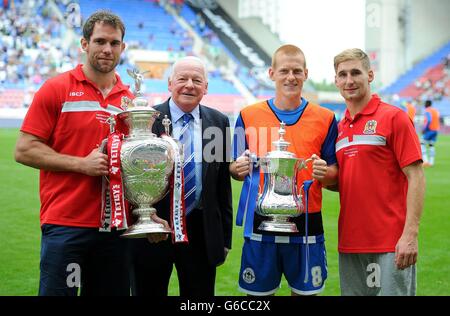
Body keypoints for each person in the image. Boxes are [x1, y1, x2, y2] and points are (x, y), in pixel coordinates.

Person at [13, 10, 161, 296]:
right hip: (66, 226)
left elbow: (140, 167)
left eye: (114, 43)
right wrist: (81, 164)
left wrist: (148, 209)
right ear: (84, 44)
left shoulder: (132, 102)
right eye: (100, 41)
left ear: (123, 47)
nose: (107, 49)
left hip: (116, 229)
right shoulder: (57, 89)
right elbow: (24, 149)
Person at [314, 48, 425, 296]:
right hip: (351, 243)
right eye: (342, 74)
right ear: (336, 81)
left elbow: (416, 176)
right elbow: (345, 182)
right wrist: (323, 175)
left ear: (370, 75)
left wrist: (410, 234)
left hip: (391, 242)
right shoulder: (339, 128)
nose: (349, 80)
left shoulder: (394, 117)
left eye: (356, 72)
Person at [230, 44, 338, 296]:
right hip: (261, 218)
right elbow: (233, 168)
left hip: (308, 220)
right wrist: (238, 168)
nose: (291, 77)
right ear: (271, 73)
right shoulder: (247, 115)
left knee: (304, 294)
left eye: (297, 71)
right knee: (257, 298)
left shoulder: (325, 118)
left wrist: (326, 172)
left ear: (306, 74)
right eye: (285, 71)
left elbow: (335, 172)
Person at [128, 56, 233, 296]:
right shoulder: (147, 120)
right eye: (182, 78)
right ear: (169, 83)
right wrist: (147, 219)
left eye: (197, 80)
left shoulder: (218, 122)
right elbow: (131, 179)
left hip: (201, 231)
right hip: (155, 229)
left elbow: (221, 185)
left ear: (206, 87)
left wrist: (224, 237)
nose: (189, 85)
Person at [421, 99, 440, 167]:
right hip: (435, 130)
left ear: (426, 104)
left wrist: (424, 129)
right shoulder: (435, 110)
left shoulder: (427, 111)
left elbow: (429, 120)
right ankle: (431, 162)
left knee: (422, 144)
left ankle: (425, 161)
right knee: (431, 145)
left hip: (430, 130)